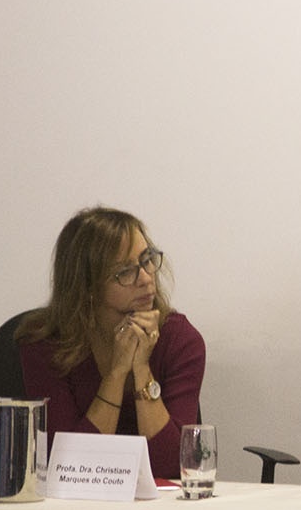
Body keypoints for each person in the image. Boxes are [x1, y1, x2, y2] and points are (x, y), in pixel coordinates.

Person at [17, 207, 204, 482]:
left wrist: (141, 369)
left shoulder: (180, 340)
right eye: (126, 271)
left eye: (147, 260)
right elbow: (71, 468)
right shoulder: (44, 346)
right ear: (88, 287)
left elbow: (173, 468)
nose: (146, 278)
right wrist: (117, 373)